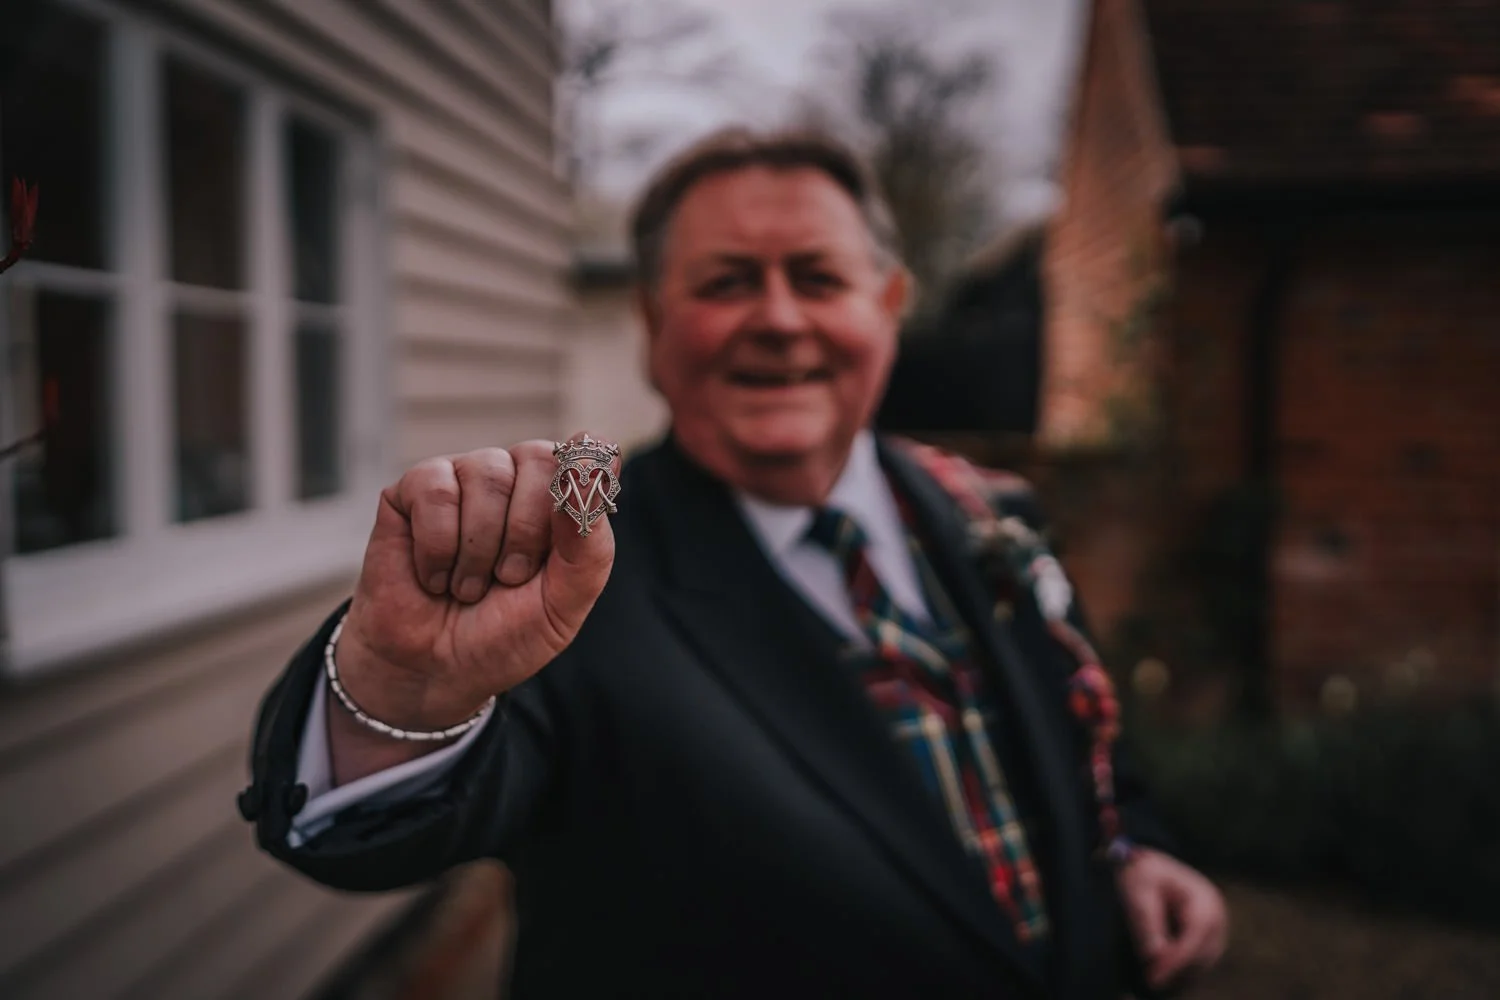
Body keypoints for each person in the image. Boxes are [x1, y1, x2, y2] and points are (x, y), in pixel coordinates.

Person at [241, 128, 1227, 999]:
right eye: (726, 282)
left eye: (819, 277)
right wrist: (400, 697)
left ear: (887, 305)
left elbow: (1079, 735)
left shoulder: (994, 510)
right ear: (652, 324)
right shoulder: (562, 574)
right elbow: (385, 830)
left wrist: (1134, 850)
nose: (780, 319)